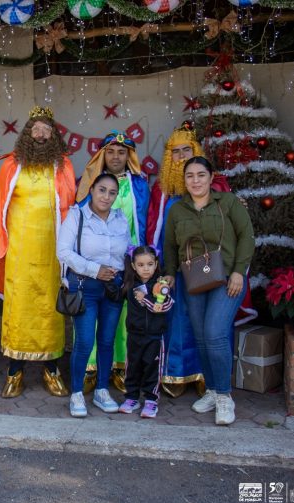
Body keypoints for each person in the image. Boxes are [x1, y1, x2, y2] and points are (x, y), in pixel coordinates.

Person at [0, 106, 76, 398]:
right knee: (19, 310)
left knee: (50, 310)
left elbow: (70, 209)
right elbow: (0, 211)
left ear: (54, 136)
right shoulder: (10, 166)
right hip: (19, 253)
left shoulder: (63, 166)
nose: (40, 134)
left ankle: (51, 370)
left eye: (46, 130)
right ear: (26, 134)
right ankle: (14, 372)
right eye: (35, 129)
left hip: (51, 254)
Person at [163, 156, 255, 426]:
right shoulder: (177, 210)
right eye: (189, 176)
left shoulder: (228, 203)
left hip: (228, 278)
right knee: (202, 337)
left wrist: (239, 270)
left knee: (215, 333)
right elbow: (169, 246)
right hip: (193, 280)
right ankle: (213, 391)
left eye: (200, 175)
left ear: (211, 177)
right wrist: (169, 273)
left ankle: (225, 397)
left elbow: (246, 236)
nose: (195, 181)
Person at [76, 131, 150, 394]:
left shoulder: (140, 184)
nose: (116, 156)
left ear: (129, 156)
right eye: (111, 151)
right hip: (94, 264)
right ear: (102, 155)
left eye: (121, 152)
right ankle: (88, 369)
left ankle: (120, 368)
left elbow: (146, 220)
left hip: (128, 262)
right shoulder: (88, 182)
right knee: (90, 317)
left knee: (123, 318)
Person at [58, 173, 130, 417]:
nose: (106, 196)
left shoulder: (120, 219)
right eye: (102, 190)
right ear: (91, 189)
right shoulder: (77, 215)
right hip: (85, 286)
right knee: (86, 341)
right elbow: (63, 252)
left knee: (108, 340)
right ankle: (77, 393)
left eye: (112, 192)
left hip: (113, 288)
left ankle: (101, 390)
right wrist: (95, 270)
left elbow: (125, 252)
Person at [118, 245, 174, 419]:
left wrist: (146, 299)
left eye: (150, 264)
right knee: (133, 367)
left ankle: (151, 400)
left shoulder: (160, 286)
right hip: (134, 334)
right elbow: (116, 296)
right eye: (141, 265)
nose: (146, 268)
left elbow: (164, 306)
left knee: (152, 367)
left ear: (156, 264)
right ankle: (131, 397)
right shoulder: (130, 285)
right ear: (134, 266)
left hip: (154, 336)